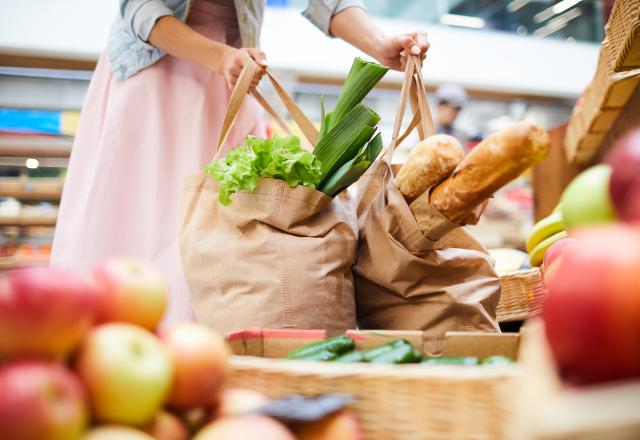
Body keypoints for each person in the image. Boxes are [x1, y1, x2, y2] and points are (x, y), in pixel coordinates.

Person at [51, 0, 430, 325]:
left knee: (219, 233)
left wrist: (380, 45)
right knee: (141, 224)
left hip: (236, 71)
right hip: (159, 73)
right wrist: (220, 58)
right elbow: (139, 8)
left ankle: (198, 358)